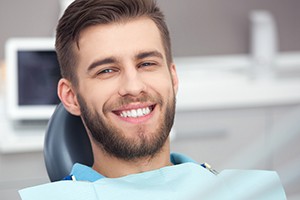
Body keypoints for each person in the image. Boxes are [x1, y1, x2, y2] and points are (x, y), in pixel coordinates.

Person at [19, 0, 286, 199]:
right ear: (71, 97)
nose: (133, 87)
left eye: (146, 63)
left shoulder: (256, 192)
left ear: (173, 78)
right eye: (107, 70)